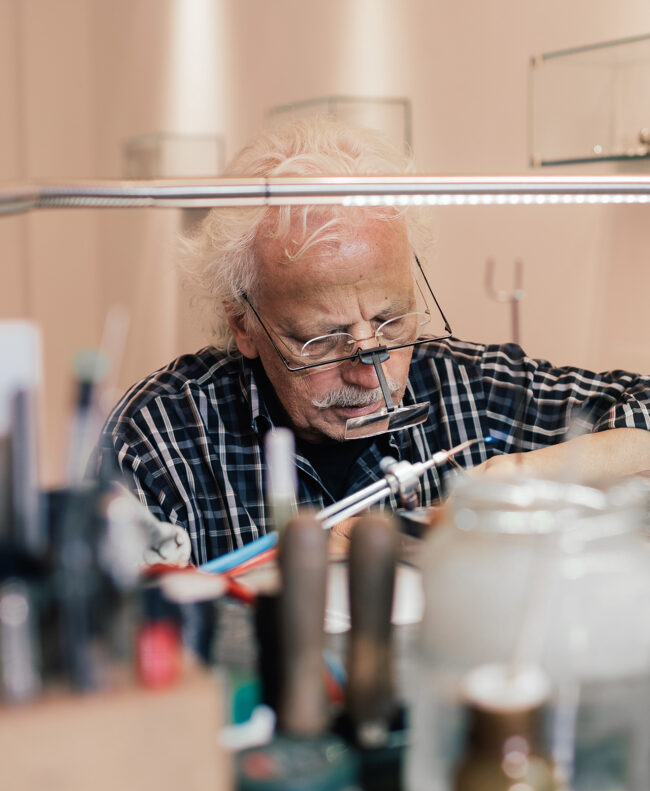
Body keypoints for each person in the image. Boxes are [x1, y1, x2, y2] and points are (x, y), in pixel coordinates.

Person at [95, 116, 650, 566]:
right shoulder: (160, 438)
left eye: (391, 322)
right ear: (242, 323)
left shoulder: (473, 389)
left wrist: (525, 474)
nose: (370, 371)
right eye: (321, 340)